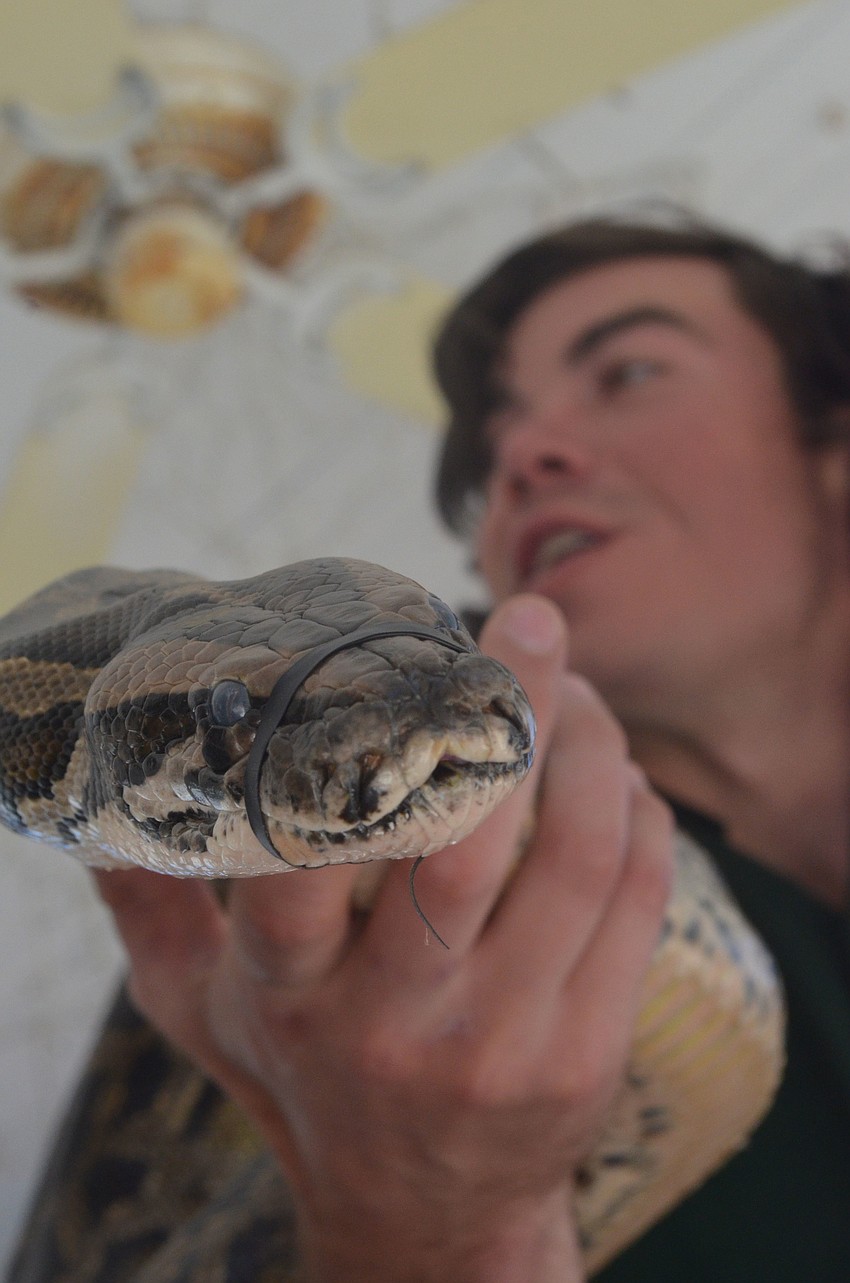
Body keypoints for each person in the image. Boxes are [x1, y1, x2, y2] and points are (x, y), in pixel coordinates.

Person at [11, 213, 850, 1282]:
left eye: (628, 370)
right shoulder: (277, 971)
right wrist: (434, 1227)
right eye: (494, 429)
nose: (519, 453)